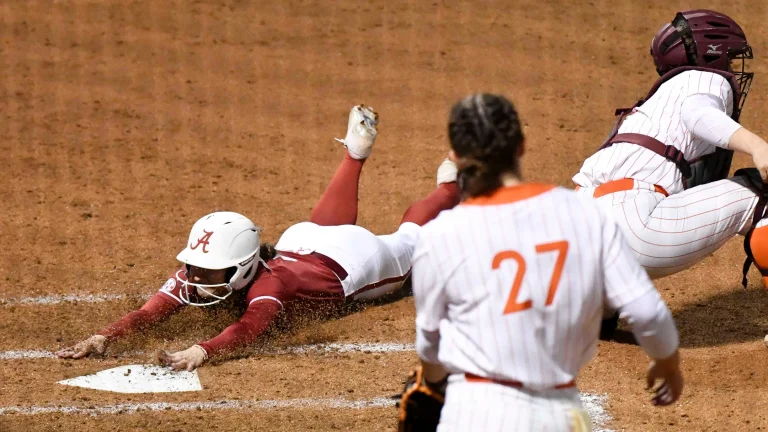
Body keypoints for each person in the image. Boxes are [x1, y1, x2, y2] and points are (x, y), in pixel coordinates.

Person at [56, 105, 461, 371]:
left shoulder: (271, 285)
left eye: (210, 272)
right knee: (324, 227)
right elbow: (148, 314)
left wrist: (201, 350)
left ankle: (449, 186)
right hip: (305, 242)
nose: (196, 279)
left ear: (242, 267)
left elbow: (249, 327)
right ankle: (354, 155)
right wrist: (102, 337)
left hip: (357, 263)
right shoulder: (202, 271)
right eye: (196, 269)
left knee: (410, 238)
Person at [400, 94, 683, 432]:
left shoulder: (440, 235)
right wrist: (668, 365)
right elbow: (648, 313)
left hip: (475, 412)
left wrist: (432, 384)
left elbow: (431, 344)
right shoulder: (584, 213)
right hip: (561, 416)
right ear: (521, 146)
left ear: (455, 157)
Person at [573, 10, 768, 289]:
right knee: (762, 191)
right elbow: (698, 114)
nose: (735, 69)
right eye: (732, 58)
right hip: (636, 228)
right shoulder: (704, 78)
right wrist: (757, 145)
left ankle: (603, 306)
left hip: (579, 231)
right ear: (713, 56)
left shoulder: (650, 107)